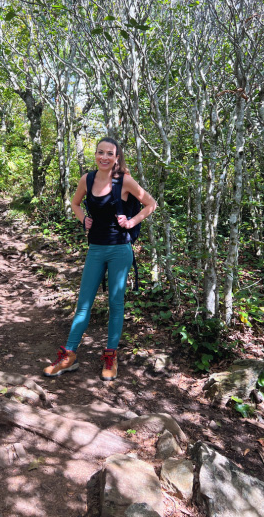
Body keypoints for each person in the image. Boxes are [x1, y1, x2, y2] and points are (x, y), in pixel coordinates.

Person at [43, 137, 157, 381]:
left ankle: (110, 355)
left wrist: (132, 221)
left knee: (115, 304)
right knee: (83, 304)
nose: (104, 157)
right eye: (100, 152)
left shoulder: (124, 180)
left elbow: (151, 203)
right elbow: (75, 203)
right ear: (95, 155)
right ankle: (69, 355)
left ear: (117, 157)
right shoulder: (88, 179)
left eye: (110, 154)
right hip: (96, 248)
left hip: (119, 250)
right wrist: (83, 218)